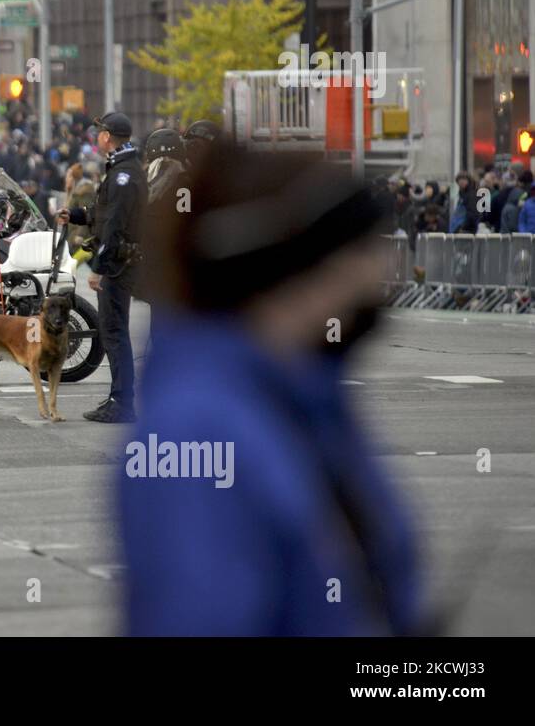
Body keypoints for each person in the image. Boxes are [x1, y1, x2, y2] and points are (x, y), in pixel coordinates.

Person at [122, 145, 429, 635]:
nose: (377, 279)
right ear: (294, 272)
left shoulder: (304, 394)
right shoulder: (197, 428)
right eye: (356, 254)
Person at [58, 111, 145, 423]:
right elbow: (103, 212)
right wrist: (77, 215)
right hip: (119, 263)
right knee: (114, 332)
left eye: (100, 132)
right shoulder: (122, 168)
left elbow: (114, 226)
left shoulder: (124, 174)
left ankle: (122, 403)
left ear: (108, 136)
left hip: (117, 266)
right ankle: (118, 398)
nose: (96, 137)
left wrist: (99, 267)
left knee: (114, 332)